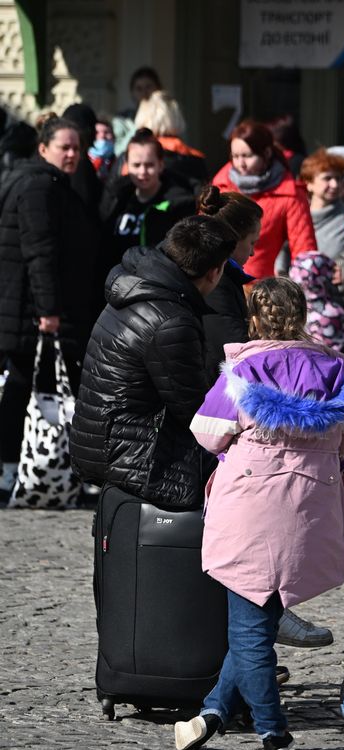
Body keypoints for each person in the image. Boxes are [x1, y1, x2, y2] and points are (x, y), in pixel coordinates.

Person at [173, 276, 344, 750]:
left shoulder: (242, 370)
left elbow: (207, 432)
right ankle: (212, 713)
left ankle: (272, 731)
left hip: (251, 501)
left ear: (255, 319)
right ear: (302, 315)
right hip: (309, 505)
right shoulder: (337, 371)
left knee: (249, 625)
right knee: (262, 613)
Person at [69, 215, 236, 508]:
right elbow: (196, 413)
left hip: (99, 440)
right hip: (132, 454)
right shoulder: (171, 320)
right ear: (216, 271)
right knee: (242, 472)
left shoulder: (137, 284)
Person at [0, 115, 100, 497]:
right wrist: (49, 310)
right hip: (33, 312)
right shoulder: (39, 188)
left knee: (35, 390)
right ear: (44, 149)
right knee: (27, 389)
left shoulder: (56, 183)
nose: (73, 153)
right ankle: (14, 469)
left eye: (77, 147)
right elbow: (39, 251)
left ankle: (39, 468)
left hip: (36, 310)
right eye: (65, 147)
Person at [212, 120, 317, 280]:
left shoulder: (290, 193)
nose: (241, 163)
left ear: (266, 153)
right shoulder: (221, 184)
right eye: (235, 156)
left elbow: (304, 252)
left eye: (247, 156)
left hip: (262, 290)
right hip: (219, 285)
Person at [99, 128, 196, 280]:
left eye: (149, 165)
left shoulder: (179, 203)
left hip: (158, 285)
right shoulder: (116, 198)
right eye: (136, 165)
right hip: (119, 286)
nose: (142, 171)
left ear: (160, 165)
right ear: (126, 166)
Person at [195, 186, 260, 383]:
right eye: (251, 243)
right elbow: (233, 350)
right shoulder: (215, 282)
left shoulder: (223, 276)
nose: (252, 253)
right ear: (232, 241)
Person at [301, 148, 344, 260]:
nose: (334, 184)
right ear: (309, 183)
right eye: (327, 178)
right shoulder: (296, 217)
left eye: (338, 179)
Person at [129, 91, 208, 188]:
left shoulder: (131, 158)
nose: (143, 170)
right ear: (177, 117)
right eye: (137, 165)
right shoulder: (196, 159)